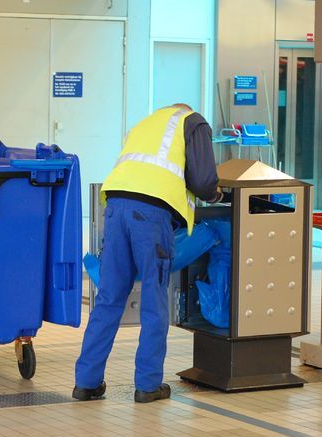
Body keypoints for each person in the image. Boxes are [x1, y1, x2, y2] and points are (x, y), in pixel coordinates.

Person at [73, 103, 220, 403]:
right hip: (151, 214)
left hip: (115, 206)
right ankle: (148, 385)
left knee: (109, 297)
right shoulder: (193, 122)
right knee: (154, 296)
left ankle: (86, 383)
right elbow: (204, 181)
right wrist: (216, 194)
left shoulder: (147, 123)